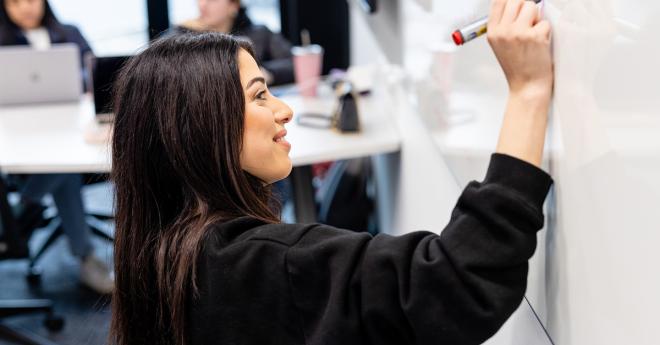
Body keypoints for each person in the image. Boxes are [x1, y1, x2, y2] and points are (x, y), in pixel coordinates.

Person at [109, 0, 554, 344]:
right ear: (201, 125)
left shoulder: (162, 251)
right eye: (260, 95)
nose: (283, 110)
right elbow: (457, 285)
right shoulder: (262, 262)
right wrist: (528, 92)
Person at [0, 0, 113, 294]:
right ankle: (86, 258)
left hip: (73, 126)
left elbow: (97, 74)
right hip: (21, 135)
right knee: (64, 171)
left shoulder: (69, 32)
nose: (26, 7)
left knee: (64, 168)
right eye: (15, 2)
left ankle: (24, 205)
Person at [176, 0, 294, 86]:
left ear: (233, 6)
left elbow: (295, 63)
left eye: (212, 0)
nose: (202, 4)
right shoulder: (183, 35)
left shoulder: (260, 33)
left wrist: (266, 73)